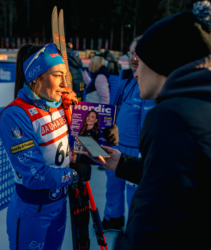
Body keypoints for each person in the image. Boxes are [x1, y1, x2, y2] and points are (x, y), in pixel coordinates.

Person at [89, 1, 211, 249]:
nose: (135, 72)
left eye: (140, 61)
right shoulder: (197, 104)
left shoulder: (171, 116)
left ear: (159, 63)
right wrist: (123, 163)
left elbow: (154, 221)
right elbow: (177, 181)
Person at [0, 43, 91, 250]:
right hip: (32, 209)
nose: (65, 83)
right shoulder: (15, 114)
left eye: (65, 75)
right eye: (57, 75)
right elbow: (35, 175)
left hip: (59, 203)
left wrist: (102, 136)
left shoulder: (59, 106)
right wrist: (74, 174)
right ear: (36, 77)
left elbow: (79, 146)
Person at [102, 36, 155, 232]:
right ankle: (113, 219)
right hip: (117, 145)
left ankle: (135, 228)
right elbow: (115, 109)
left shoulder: (153, 83)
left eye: (139, 54)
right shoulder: (126, 80)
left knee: (135, 193)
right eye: (132, 53)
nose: (134, 58)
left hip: (138, 150)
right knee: (113, 187)